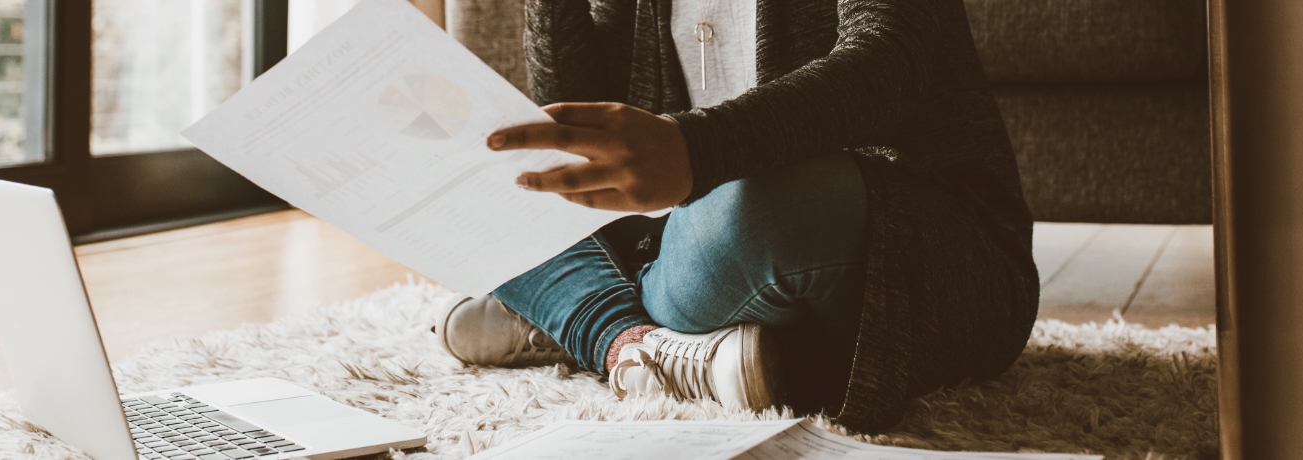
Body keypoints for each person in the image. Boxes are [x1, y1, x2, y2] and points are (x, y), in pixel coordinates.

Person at [434, 0, 1040, 433]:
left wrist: (695, 151)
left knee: (755, 211)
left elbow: (889, 62)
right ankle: (639, 345)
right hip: (683, 235)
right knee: (490, 179)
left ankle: (580, 312)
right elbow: (577, 132)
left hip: (906, 246)